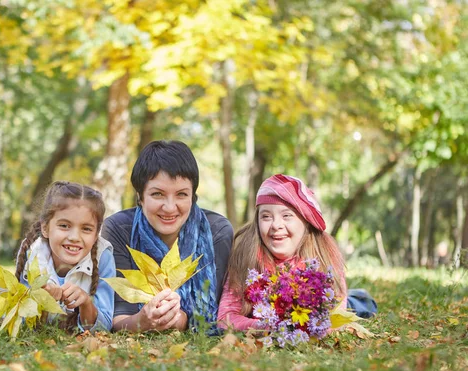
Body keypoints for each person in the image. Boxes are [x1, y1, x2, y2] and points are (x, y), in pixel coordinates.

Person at [101, 140, 233, 332]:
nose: (170, 207)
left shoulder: (217, 231)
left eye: (181, 194)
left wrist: (181, 320)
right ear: (140, 196)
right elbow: (118, 318)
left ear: (193, 196)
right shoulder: (119, 228)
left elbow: (221, 314)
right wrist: (143, 321)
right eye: (158, 194)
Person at [218, 174, 377, 331]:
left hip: (331, 306)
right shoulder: (245, 256)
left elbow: (334, 318)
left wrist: (299, 327)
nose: (276, 225)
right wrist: (264, 326)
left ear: (305, 222)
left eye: (287, 215)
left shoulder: (324, 255)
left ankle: (360, 297)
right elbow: (225, 318)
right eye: (266, 216)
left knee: (360, 304)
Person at [12, 181, 116, 332]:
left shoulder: (104, 258)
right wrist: (41, 301)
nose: (74, 237)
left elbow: (104, 326)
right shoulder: (33, 252)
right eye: (64, 226)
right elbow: (21, 320)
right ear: (45, 228)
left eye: (86, 229)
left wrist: (86, 303)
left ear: (96, 235)